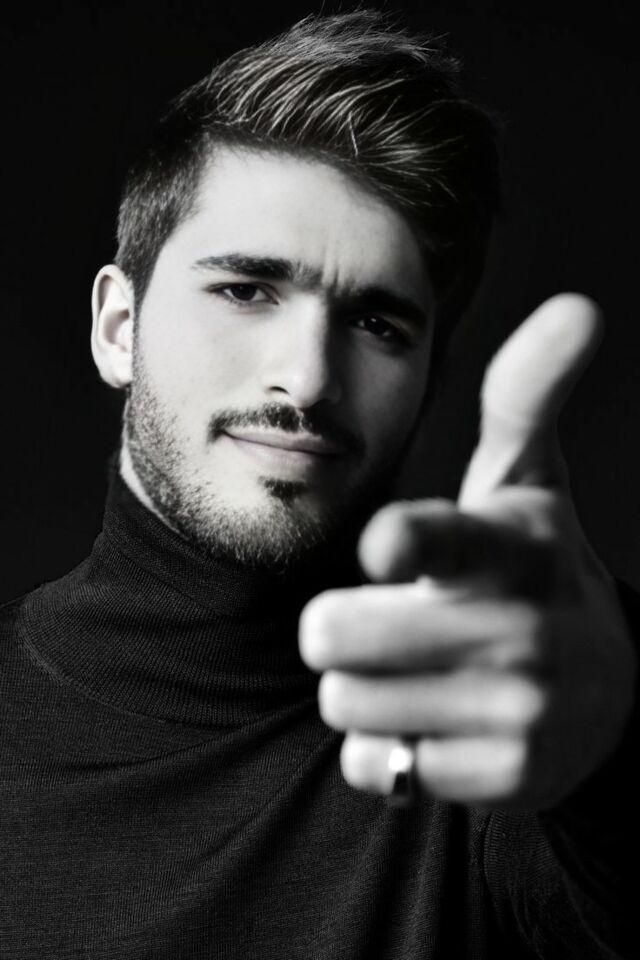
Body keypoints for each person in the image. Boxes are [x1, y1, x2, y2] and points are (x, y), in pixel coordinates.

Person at [0, 10, 636, 959]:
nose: (306, 380)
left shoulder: (495, 730)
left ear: (428, 382)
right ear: (117, 330)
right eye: (245, 290)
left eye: (378, 325)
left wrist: (620, 756)